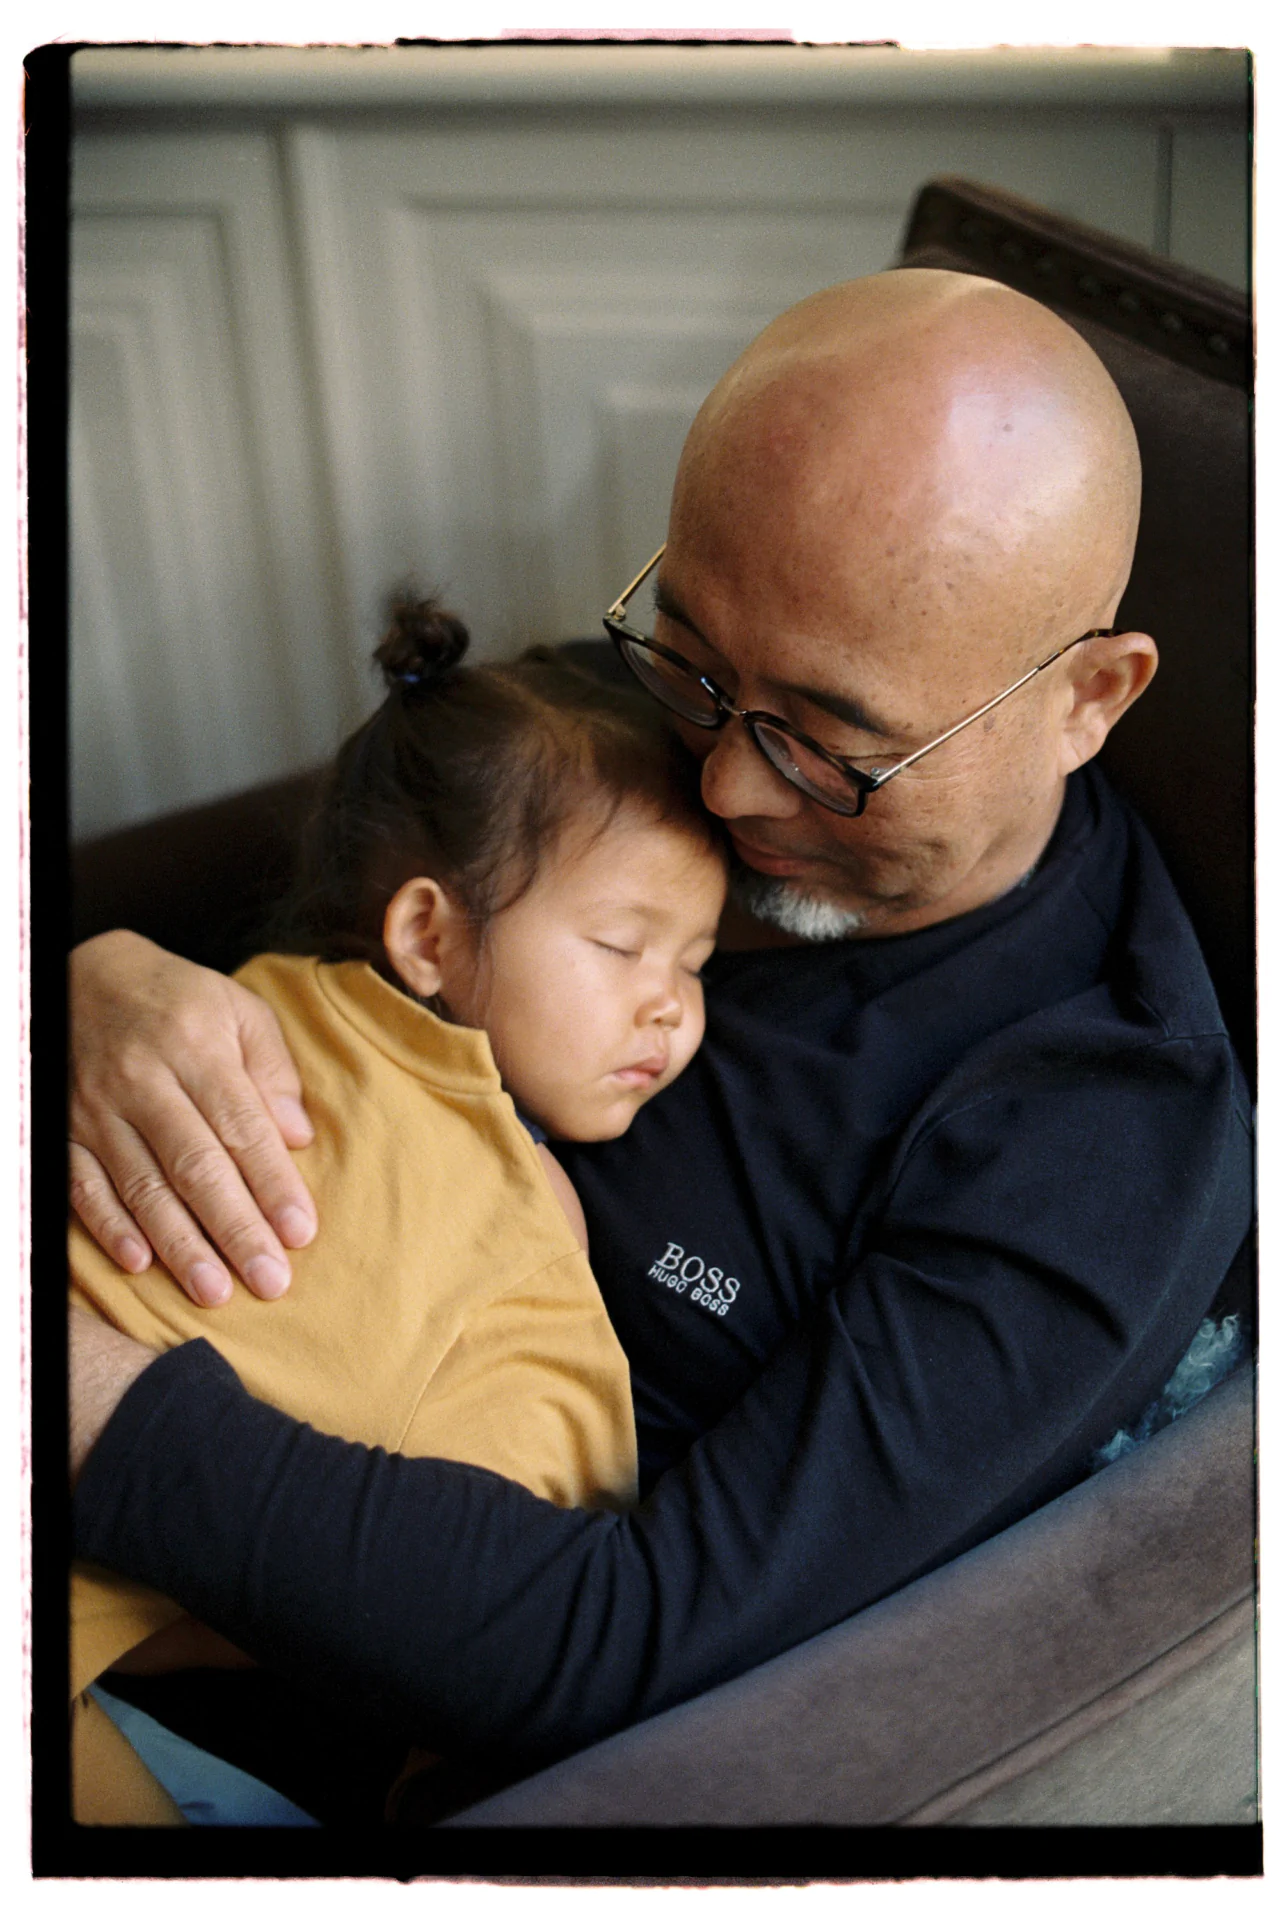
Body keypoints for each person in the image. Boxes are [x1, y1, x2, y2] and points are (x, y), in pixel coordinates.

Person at [68, 269, 1252, 1797]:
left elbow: (624, 1646)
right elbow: (364, 922)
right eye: (689, 657)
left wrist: (75, 1400)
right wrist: (96, 980)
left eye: (829, 750)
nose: (723, 793)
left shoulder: (1085, 1145)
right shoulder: (654, 729)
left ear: (1087, 698)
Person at [69, 602, 726, 1821]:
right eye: (624, 945)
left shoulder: (244, 1006)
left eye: (697, 964)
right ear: (426, 932)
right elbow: (534, 1567)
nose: (672, 1011)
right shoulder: (500, 1204)